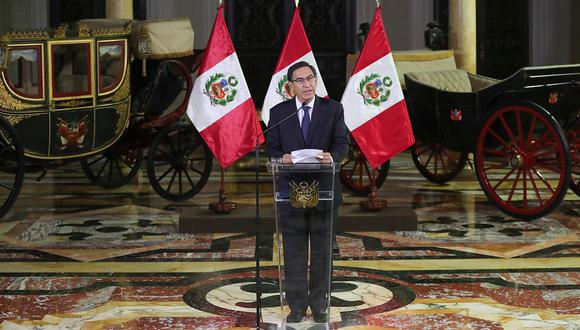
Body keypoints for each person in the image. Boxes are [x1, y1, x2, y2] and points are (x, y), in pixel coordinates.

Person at [265, 61, 349, 323]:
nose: (306, 84)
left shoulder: (333, 109)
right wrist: (282, 158)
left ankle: (320, 304)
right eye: (300, 81)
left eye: (310, 79)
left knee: (323, 251)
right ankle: (297, 306)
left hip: (324, 190)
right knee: (294, 252)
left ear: (316, 81)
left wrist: (331, 157)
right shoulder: (280, 113)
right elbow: (272, 148)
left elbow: (342, 144)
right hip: (290, 192)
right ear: (291, 87)